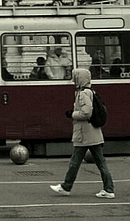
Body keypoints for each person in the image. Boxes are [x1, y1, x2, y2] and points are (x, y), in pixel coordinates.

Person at [50, 68, 116, 199]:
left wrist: (72, 114)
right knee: (100, 163)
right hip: (93, 133)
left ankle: (66, 187)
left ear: (80, 79)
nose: (73, 79)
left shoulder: (83, 94)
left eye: (75, 77)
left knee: (75, 162)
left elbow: (86, 113)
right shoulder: (91, 91)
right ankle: (108, 189)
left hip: (84, 133)